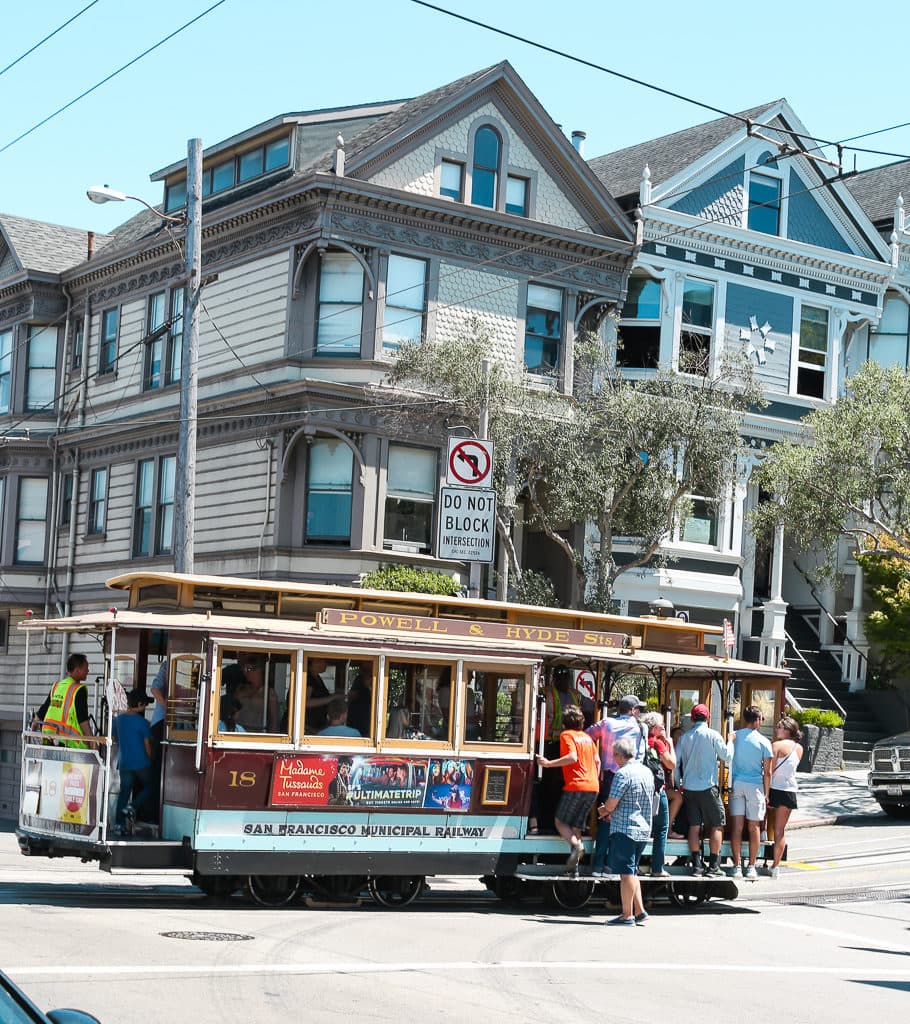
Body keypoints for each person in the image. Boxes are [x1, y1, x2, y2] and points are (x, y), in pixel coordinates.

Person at [586, 694, 647, 875]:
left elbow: (587, 736)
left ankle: (598, 864)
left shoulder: (607, 723)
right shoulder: (640, 727)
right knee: (624, 821)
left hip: (610, 777)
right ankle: (614, 864)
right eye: (638, 709)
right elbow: (641, 755)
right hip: (631, 777)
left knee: (606, 818)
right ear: (633, 710)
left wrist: (597, 758)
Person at [535, 705, 599, 872]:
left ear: (564, 724)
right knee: (576, 826)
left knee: (560, 822)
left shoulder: (566, 735)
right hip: (593, 787)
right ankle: (574, 868)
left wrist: (548, 764)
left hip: (576, 785)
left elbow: (572, 757)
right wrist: (593, 778)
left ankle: (577, 846)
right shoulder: (588, 738)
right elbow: (597, 761)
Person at [599, 735, 655, 926]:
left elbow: (612, 804)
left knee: (626, 873)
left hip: (625, 828)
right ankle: (639, 911)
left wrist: (602, 810)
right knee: (632, 871)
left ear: (618, 755)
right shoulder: (646, 772)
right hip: (643, 828)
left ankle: (626, 914)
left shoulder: (623, 774)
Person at [674, 703, 732, 876]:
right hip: (708, 786)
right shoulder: (713, 735)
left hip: (690, 787)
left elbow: (676, 764)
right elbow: (726, 756)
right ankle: (714, 865)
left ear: (692, 718)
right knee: (717, 824)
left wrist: (679, 785)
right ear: (707, 718)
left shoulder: (685, 738)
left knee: (694, 826)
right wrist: (731, 741)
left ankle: (697, 864)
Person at [729, 704, 773, 880]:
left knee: (737, 826)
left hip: (737, 783)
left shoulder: (735, 736)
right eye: (761, 719)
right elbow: (768, 771)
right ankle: (752, 865)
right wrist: (767, 793)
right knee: (753, 826)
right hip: (755, 786)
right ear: (756, 720)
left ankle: (736, 865)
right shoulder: (764, 741)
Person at [112, 689, 153, 835]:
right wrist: (150, 760)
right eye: (145, 704)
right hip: (140, 762)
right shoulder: (143, 723)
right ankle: (132, 806)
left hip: (124, 762)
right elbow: (147, 746)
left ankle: (119, 826)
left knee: (124, 792)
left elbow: (115, 739)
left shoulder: (118, 720)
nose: (146, 707)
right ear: (140, 704)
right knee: (150, 786)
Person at [640, 710, 676, 878]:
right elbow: (671, 764)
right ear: (654, 728)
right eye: (661, 725)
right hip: (656, 790)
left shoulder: (640, 741)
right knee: (661, 828)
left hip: (641, 788)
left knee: (641, 828)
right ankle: (657, 867)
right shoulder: (657, 743)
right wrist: (671, 744)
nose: (663, 728)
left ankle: (635, 864)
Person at [768, 716, 804, 879]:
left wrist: (766, 792)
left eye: (779, 727)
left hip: (774, 788)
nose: (777, 730)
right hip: (790, 790)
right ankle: (776, 866)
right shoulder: (799, 748)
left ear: (787, 730)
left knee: (762, 823)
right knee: (780, 831)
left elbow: (770, 770)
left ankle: (758, 852)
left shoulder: (776, 745)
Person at [35, 653, 94, 748]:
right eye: (86, 668)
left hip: (49, 738)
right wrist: (93, 742)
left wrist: (33, 726)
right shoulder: (78, 689)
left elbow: (44, 709)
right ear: (77, 670)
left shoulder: (57, 686)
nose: (88, 671)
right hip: (69, 743)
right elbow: (82, 720)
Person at [225, 656, 278, 732]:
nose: (245, 672)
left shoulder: (269, 693)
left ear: (259, 670)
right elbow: (232, 711)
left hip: (259, 733)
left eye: (249, 669)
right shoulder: (240, 689)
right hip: (238, 732)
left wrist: (273, 738)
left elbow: (274, 720)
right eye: (244, 669)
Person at [304, 658, 334, 733]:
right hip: (306, 727)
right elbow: (305, 702)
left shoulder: (316, 677)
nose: (326, 664)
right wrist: (331, 698)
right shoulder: (308, 678)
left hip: (316, 725)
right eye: (323, 660)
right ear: (314, 661)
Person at [346, 665, 373, 737]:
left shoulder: (375, 682)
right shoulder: (359, 680)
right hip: (356, 717)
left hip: (367, 717)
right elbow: (351, 695)